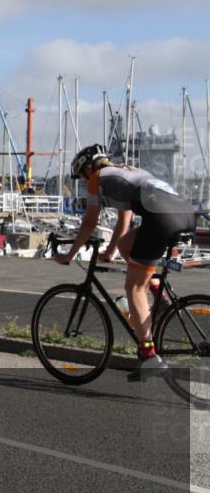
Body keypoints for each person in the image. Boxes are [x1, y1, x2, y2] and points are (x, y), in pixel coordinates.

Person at [53, 144, 197, 381]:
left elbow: (89, 224)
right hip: (184, 214)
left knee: (133, 288)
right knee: (126, 245)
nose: (82, 181)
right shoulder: (126, 173)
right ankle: (157, 296)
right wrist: (110, 251)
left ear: (88, 168)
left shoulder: (97, 178)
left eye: (81, 176)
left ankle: (149, 354)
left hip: (161, 219)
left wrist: (70, 255)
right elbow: (124, 224)